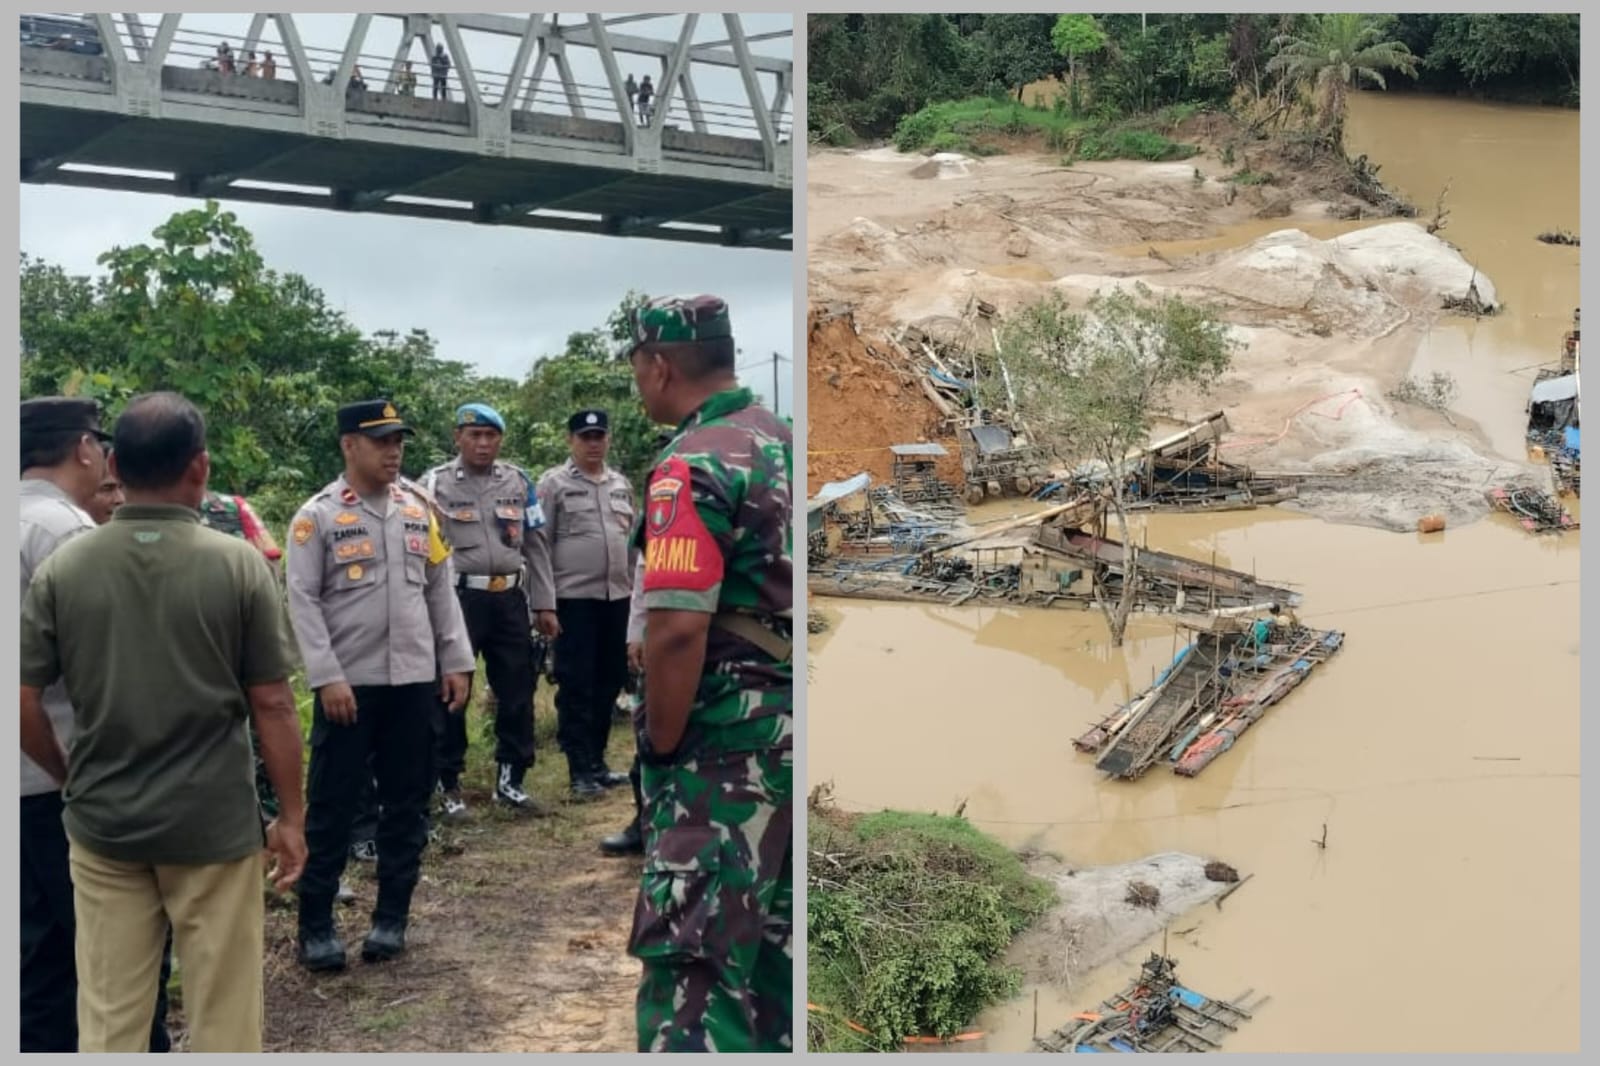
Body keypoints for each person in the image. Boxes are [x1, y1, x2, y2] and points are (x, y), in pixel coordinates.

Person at [19, 392, 307, 1053]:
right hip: (212, 825)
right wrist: (290, 817)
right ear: (200, 467)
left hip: (104, 828)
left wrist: (71, 777)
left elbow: (23, 699)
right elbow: (273, 703)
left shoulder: (68, 565)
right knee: (223, 1016)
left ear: (116, 462)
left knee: (111, 1016)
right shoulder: (235, 565)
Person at [622, 295, 794, 1051]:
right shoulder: (779, 438)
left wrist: (662, 747)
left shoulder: (690, 464)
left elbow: (678, 629)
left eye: (637, 370)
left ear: (658, 367)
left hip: (725, 754)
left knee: (695, 972)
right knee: (776, 962)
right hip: (794, 737)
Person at [284, 399, 474, 971]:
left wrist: (456, 660)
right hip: (350, 688)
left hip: (414, 682)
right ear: (349, 446)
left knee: (407, 804)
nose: (394, 452)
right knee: (333, 807)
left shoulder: (418, 511)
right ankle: (315, 925)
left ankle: (392, 917)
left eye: (399, 442)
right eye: (381, 442)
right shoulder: (316, 517)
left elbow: (440, 588)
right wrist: (327, 677)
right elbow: (303, 601)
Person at [18, 399, 176, 1054]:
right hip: (69, 779)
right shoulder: (67, 534)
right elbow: (117, 675)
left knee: (38, 966)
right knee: (123, 962)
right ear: (86, 448)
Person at [424, 403, 550, 817]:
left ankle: (511, 780)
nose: (482, 443)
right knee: (451, 691)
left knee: (518, 688)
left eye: (490, 436)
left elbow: (535, 544)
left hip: (510, 598)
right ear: (457, 436)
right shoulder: (434, 485)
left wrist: (545, 604)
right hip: (459, 599)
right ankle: (448, 783)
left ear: (500, 439)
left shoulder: (518, 480)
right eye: (474, 435)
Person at [527, 410, 636, 801]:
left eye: (599, 436)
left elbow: (633, 545)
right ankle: (579, 770)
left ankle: (598, 763)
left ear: (608, 439)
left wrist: (638, 597)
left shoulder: (620, 485)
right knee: (576, 685)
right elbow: (538, 544)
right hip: (572, 601)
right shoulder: (552, 485)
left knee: (609, 681)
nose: (593, 443)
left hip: (617, 598)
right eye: (585, 436)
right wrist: (543, 603)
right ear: (570, 440)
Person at [599, 553, 648, 857]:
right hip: (666, 626)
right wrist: (638, 630)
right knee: (651, 737)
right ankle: (645, 824)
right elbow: (646, 568)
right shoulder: (665, 507)